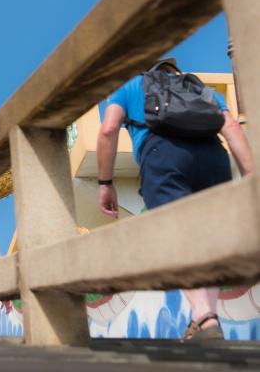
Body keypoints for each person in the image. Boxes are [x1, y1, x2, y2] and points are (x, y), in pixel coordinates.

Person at [97, 57, 254, 341]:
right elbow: (232, 127)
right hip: (213, 156)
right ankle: (203, 318)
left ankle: (205, 319)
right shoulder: (196, 87)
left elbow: (108, 129)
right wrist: (250, 178)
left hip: (164, 155)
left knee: (178, 236)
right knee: (210, 240)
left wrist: (106, 183)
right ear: (169, 69)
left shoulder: (131, 86)